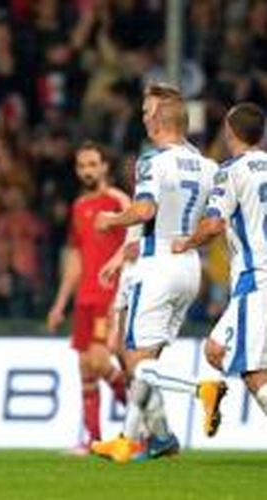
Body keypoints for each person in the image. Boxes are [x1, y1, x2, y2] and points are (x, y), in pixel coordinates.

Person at [90, 83, 223, 463]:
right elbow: (218, 222)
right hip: (188, 266)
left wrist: (111, 219)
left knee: (137, 362)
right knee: (142, 359)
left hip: (158, 264)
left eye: (147, 112)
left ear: (159, 120)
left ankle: (203, 389)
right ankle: (153, 438)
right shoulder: (208, 166)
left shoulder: (152, 161)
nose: (143, 118)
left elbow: (145, 211)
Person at [172, 103, 267, 422]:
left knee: (251, 368)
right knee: (216, 349)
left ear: (229, 131)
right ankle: (215, 390)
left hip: (257, 279)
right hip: (256, 281)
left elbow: (213, 225)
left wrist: (186, 242)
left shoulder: (231, 171)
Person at [46, 142, 128, 454]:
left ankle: (143, 416)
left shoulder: (119, 201)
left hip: (109, 296)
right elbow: (76, 259)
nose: (87, 171)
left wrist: (120, 294)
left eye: (93, 164)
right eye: (82, 166)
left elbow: (134, 245)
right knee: (85, 367)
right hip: (84, 298)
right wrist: (59, 304)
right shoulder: (79, 207)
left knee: (98, 360)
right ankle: (92, 441)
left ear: (105, 166)